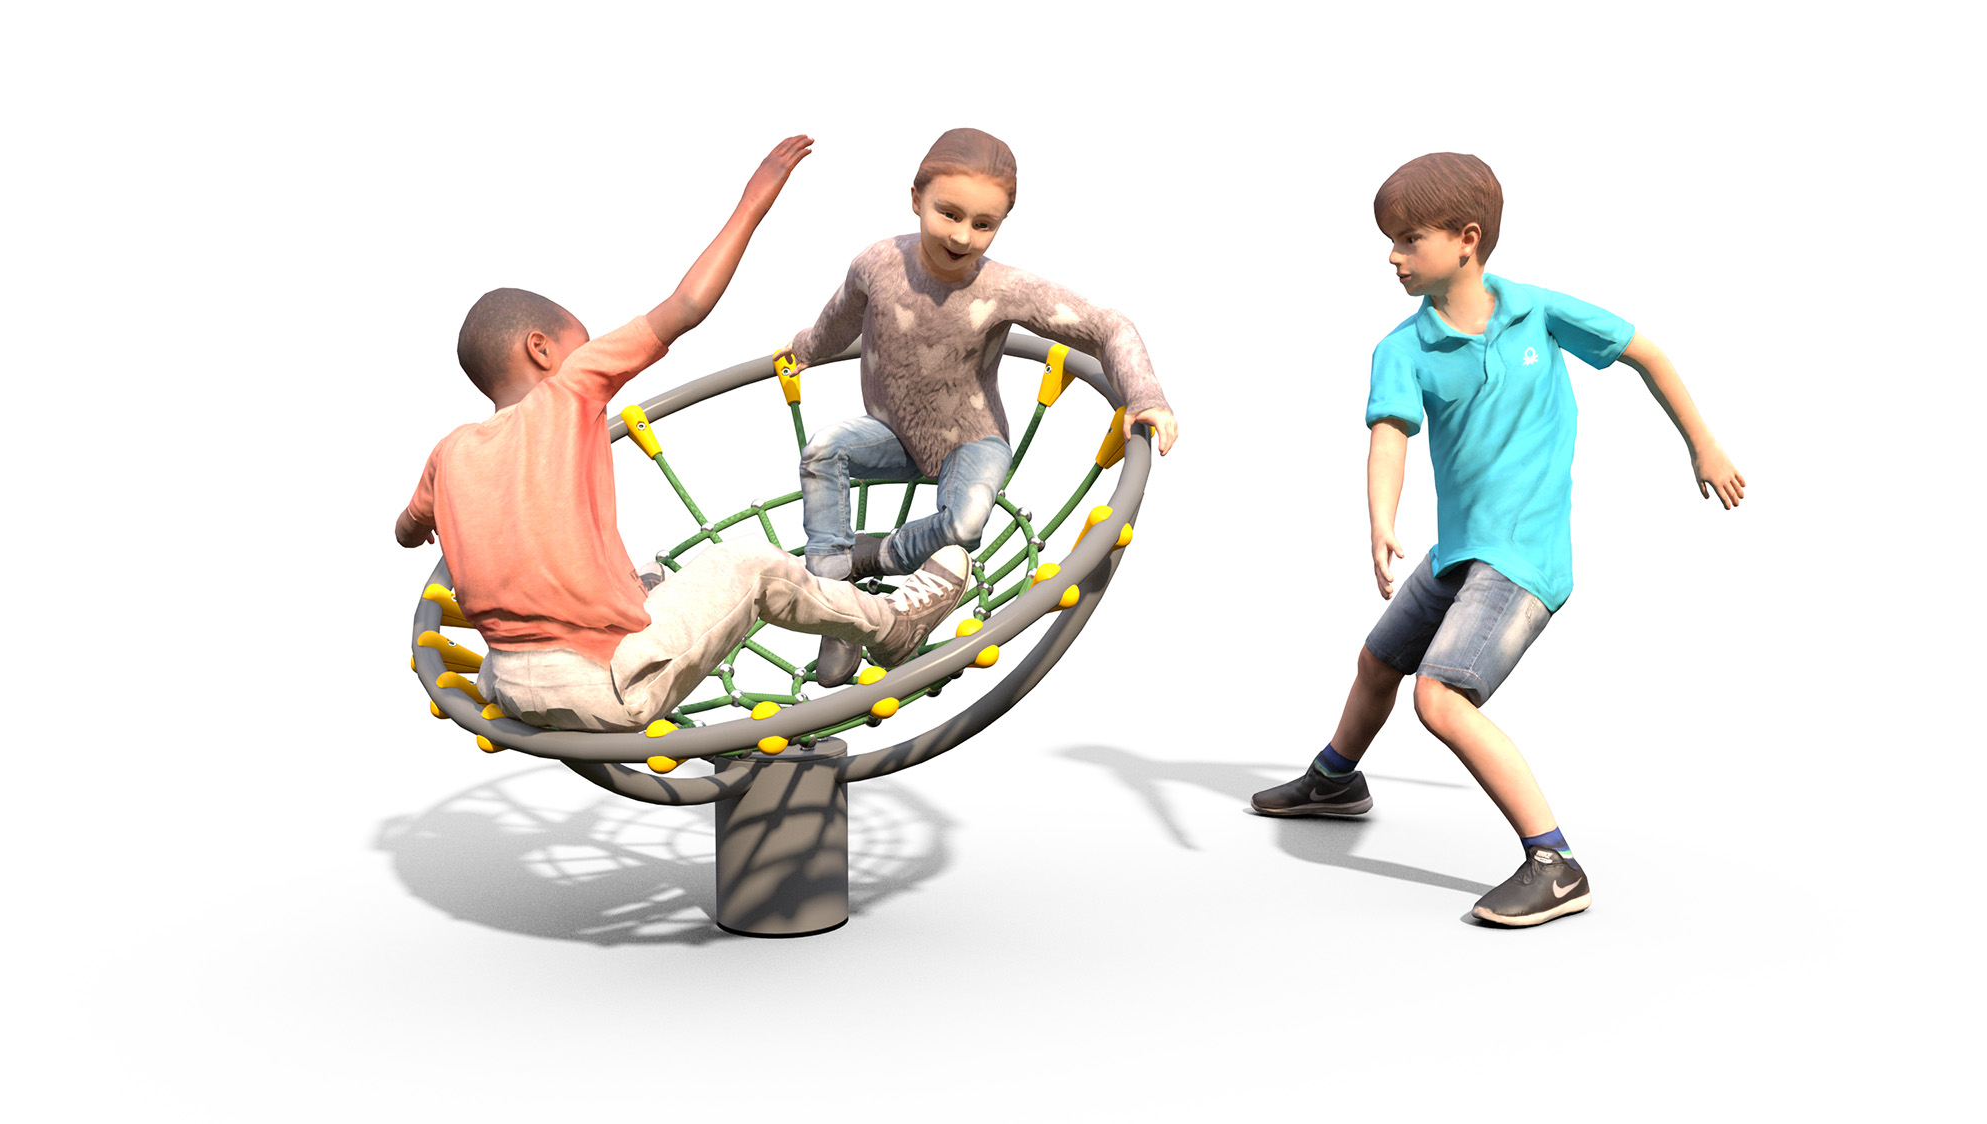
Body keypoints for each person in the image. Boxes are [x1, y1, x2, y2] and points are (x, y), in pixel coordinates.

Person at [1251, 152, 1747, 927]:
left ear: (1467, 240)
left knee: (1439, 696)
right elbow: (1389, 437)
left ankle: (1555, 863)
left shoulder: (1537, 311)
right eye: (1390, 241)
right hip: (1458, 552)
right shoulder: (1401, 348)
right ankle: (1337, 780)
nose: (1392, 256)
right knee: (1379, 661)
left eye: (1408, 240)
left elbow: (1644, 351)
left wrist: (1703, 445)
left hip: (1522, 559)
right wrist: (1381, 519)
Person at [395, 136, 969, 734]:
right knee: (748, 563)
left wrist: (451, 519)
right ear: (541, 349)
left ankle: (637, 600)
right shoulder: (571, 387)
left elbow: (408, 530)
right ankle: (891, 626)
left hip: (512, 686)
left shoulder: (449, 452)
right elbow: (687, 305)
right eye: (577, 342)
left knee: (643, 570)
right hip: (610, 687)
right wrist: (753, 201)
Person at [775, 127, 1179, 687]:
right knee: (823, 448)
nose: (963, 235)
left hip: (972, 440)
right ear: (916, 199)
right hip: (893, 435)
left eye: (983, 224)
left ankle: (871, 558)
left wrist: (1146, 396)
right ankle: (836, 606)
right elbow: (838, 319)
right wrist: (804, 351)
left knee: (963, 525)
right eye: (949, 213)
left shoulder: (1002, 289)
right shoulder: (876, 264)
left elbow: (1107, 326)